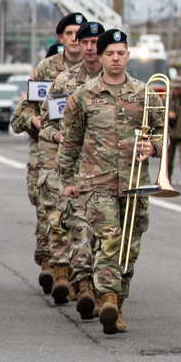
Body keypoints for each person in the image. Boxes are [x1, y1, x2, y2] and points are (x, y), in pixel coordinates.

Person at [58, 29, 161, 334]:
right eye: (110, 54)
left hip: (134, 182)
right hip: (97, 182)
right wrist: (67, 178)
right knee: (109, 239)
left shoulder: (145, 93)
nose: (116, 59)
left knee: (129, 246)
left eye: (121, 53)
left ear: (127, 55)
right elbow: (71, 142)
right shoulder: (83, 96)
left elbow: (161, 133)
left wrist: (152, 147)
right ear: (100, 57)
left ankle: (119, 305)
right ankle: (109, 300)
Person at [12, 12, 85, 294]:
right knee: (50, 212)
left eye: (81, 35)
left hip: (86, 154)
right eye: (70, 34)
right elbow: (27, 110)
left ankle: (76, 273)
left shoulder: (96, 67)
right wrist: (36, 121)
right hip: (50, 151)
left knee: (80, 214)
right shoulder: (46, 69)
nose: (77, 40)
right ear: (61, 38)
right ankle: (53, 266)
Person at [39, 21, 104, 316]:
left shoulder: (120, 82)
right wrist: (58, 135)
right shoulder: (63, 82)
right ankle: (84, 284)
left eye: (94, 42)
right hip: (72, 167)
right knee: (77, 226)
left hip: (107, 170)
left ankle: (102, 285)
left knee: (104, 232)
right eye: (84, 41)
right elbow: (46, 121)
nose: (89, 47)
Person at [166, 75, 181, 185]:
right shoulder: (167, 100)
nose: (176, 90)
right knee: (167, 160)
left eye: (179, 88)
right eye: (175, 88)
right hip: (170, 134)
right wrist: (168, 114)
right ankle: (166, 181)